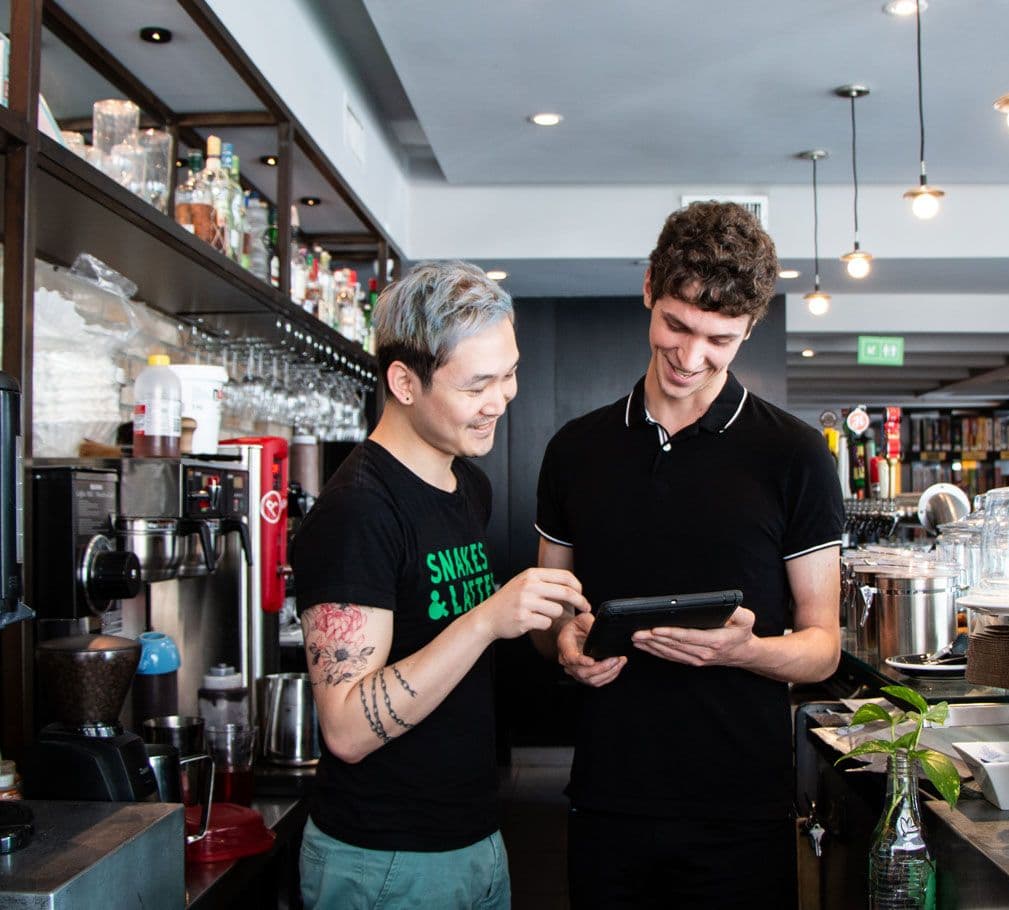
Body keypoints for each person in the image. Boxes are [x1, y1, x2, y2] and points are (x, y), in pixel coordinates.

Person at [534, 202, 845, 908]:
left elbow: (822, 646)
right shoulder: (575, 450)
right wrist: (561, 641)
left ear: (749, 329)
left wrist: (746, 653)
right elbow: (541, 615)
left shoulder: (793, 455)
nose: (690, 356)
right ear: (649, 287)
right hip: (608, 797)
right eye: (676, 325)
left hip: (741, 808)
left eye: (720, 339)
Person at [292, 261, 590, 910]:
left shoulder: (465, 485)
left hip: (471, 835)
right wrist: (485, 618)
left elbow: (439, 638)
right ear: (404, 381)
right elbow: (345, 728)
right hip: (384, 859)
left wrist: (552, 628)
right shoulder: (357, 512)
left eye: (509, 373)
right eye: (478, 383)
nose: (502, 398)